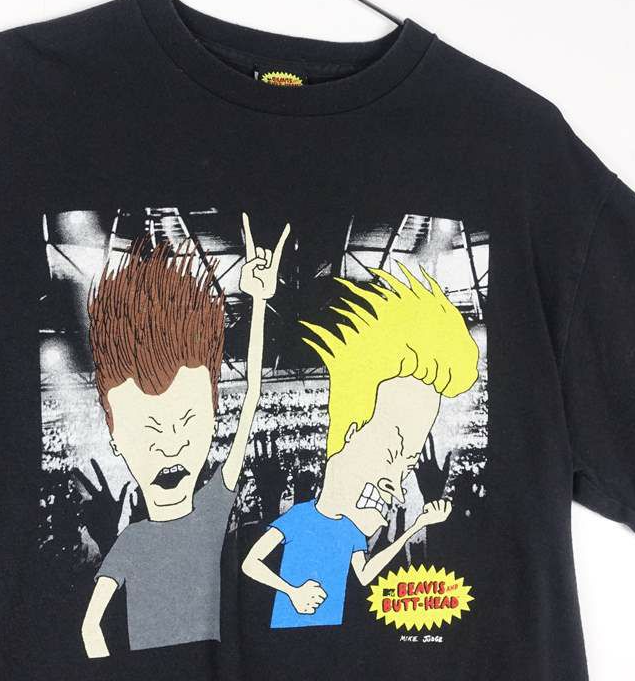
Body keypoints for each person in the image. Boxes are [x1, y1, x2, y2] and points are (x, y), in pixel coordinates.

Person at [81, 214, 290, 653]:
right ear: (114, 433)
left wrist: (257, 304)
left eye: (189, 420)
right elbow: (89, 628)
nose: (171, 444)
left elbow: (251, 395)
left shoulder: (211, 510)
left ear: (212, 417)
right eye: (148, 429)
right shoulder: (133, 541)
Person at [242, 263, 479, 628]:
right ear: (351, 431)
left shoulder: (351, 531)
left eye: (409, 464)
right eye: (391, 454)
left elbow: (366, 575)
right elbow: (249, 564)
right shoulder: (297, 518)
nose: (397, 487)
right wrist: (291, 590)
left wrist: (418, 525)